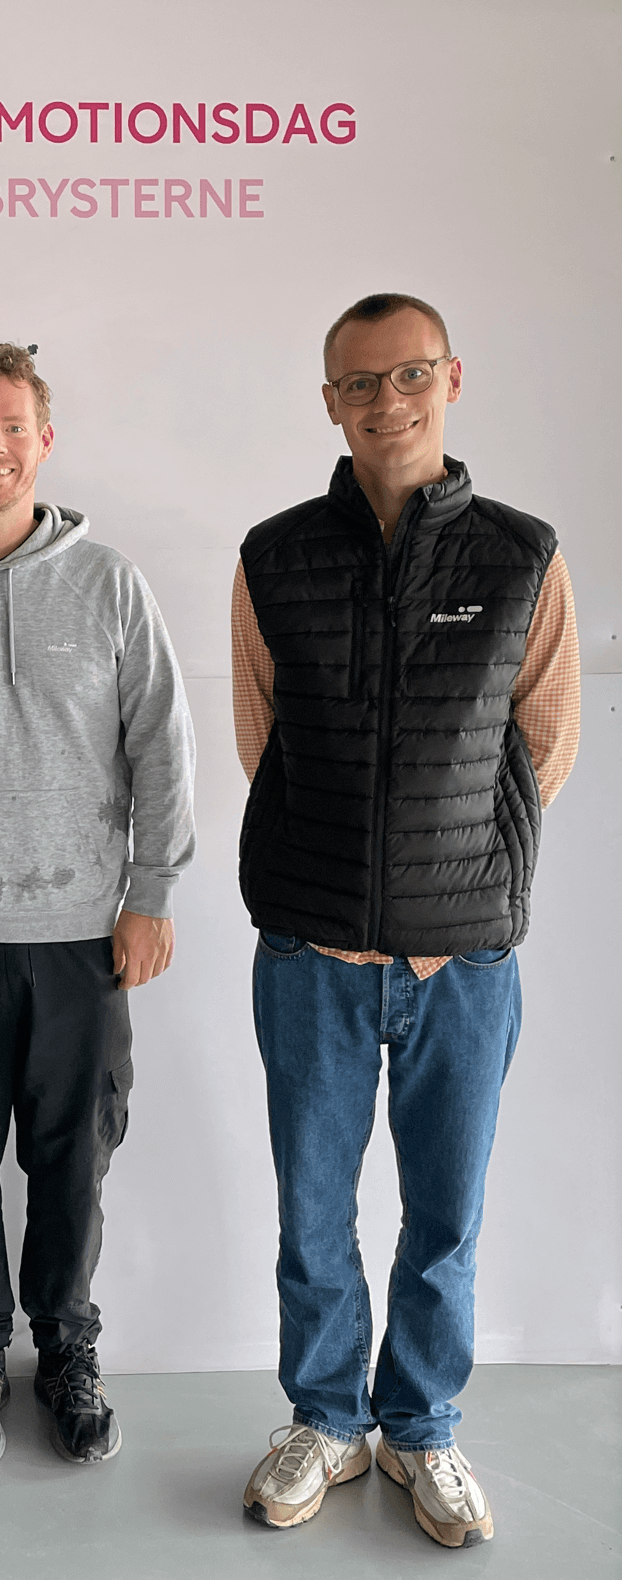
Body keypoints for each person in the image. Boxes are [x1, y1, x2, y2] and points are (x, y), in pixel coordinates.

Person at [234, 293, 579, 1548]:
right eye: (360, 382)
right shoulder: (274, 553)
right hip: (310, 953)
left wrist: (455, 875)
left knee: (445, 1217)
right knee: (311, 1211)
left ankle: (421, 1428)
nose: (388, 400)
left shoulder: (521, 552)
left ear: (451, 377)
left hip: (463, 960)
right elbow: (257, 732)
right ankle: (324, 1418)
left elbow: (543, 739)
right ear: (329, 400)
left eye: (410, 373)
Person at [0, 343, 196, 1468]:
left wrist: (151, 888)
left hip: (81, 936)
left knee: (74, 1156)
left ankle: (65, 1339)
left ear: (44, 440)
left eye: (13, 425)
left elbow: (161, 741)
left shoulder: (109, 581)